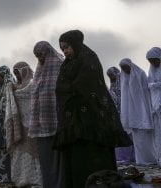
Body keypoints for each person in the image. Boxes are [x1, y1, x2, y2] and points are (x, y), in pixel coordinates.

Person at [53, 30, 132, 187]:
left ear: (75, 44)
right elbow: (60, 87)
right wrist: (67, 92)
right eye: (63, 49)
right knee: (78, 163)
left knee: (95, 160)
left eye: (67, 47)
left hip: (94, 120)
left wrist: (69, 91)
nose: (66, 51)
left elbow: (85, 86)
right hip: (74, 123)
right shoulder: (67, 65)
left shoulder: (89, 59)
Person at [27, 41, 64, 188]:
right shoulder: (40, 69)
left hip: (57, 122)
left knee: (58, 160)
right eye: (37, 57)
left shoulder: (60, 64)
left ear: (47, 52)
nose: (39, 59)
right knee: (45, 159)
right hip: (41, 124)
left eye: (41, 55)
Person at [5, 61, 42, 187]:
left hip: (31, 124)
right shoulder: (13, 87)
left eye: (18, 72)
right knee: (19, 152)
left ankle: (35, 180)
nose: (16, 75)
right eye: (14, 73)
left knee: (32, 153)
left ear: (25, 71)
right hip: (17, 124)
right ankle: (20, 179)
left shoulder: (32, 86)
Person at [120, 58, 156, 165]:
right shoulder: (124, 78)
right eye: (123, 68)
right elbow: (125, 99)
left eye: (126, 68)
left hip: (143, 112)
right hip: (132, 115)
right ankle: (141, 161)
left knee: (146, 140)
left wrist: (147, 112)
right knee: (138, 142)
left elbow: (146, 94)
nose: (125, 70)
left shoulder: (140, 74)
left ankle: (151, 160)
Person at [107, 67, 135, 163]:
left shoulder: (123, 85)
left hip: (126, 113)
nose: (111, 78)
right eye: (109, 76)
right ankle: (121, 157)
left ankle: (129, 156)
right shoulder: (112, 86)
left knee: (127, 132)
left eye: (112, 75)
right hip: (117, 115)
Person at [0, 65, 14, 182]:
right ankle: (1, 175)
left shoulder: (9, 84)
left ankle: (8, 177)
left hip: (6, 122)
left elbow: (9, 104)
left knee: (6, 148)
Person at [146, 47, 161, 165]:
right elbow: (149, 84)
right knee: (158, 133)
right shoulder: (151, 70)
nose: (152, 63)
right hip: (155, 105)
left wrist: (155, 85)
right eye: (150, 61)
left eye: (153, 60)